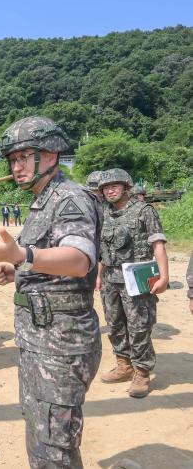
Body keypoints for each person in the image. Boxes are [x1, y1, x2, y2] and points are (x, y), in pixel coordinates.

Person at [0, 116, 102, 468]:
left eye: (25, 157)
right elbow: (45, 261)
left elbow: (79, 259)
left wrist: (23, 255)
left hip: (60, 344)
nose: (17, 166)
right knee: (43, 434)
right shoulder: (44, 202)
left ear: (52, 155)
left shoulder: (70, 198)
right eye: (13, 159)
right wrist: (17, 267)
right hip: (41, 340)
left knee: (54, 445)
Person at [96, 168, 169, 398]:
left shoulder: (143, 211)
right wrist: (98, 275)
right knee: (115, 324)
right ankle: (123, 364)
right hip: (110, 277)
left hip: (136, 276)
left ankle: (142, 371)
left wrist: (164, 277)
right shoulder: (103, 212)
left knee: (139, 326)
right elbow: (102, 249)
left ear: (126, 187)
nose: (110, 190)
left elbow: (158, 245)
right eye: (106, 187)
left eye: (115, 186)